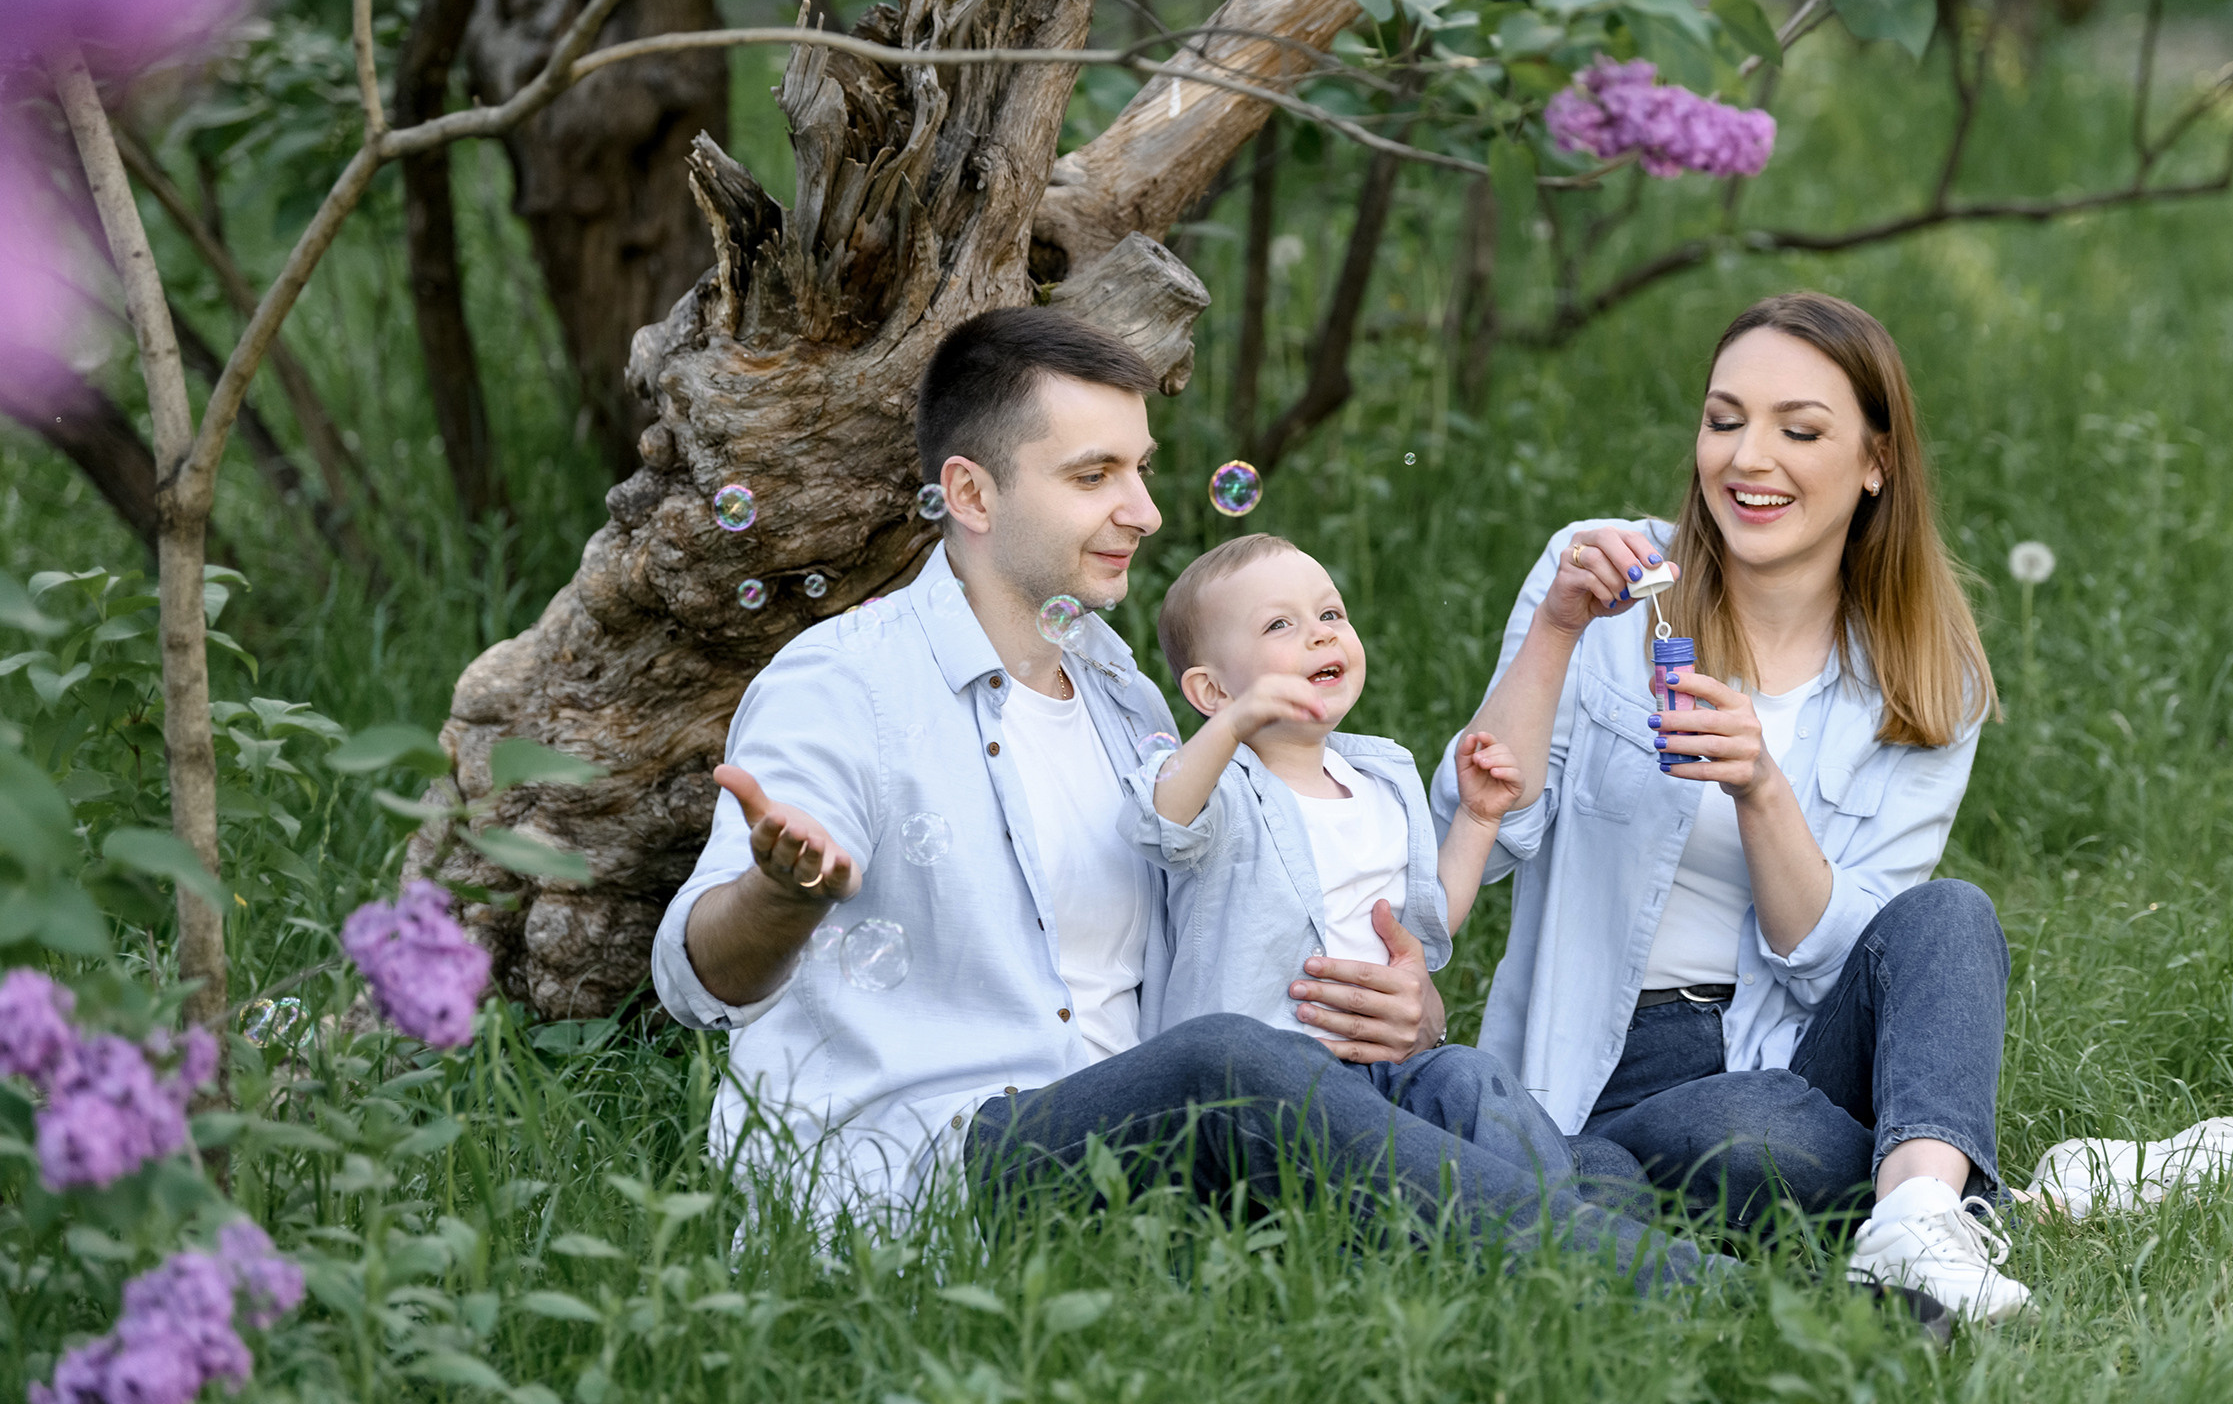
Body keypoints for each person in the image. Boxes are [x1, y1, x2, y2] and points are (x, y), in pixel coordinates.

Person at [649, 307, 1713, 1288]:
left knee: (1512, 1119)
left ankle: (1599, 1252)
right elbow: (699, 977)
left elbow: (1242, 926)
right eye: (1094, 475)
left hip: (1160, 1166)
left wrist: (1407, 1010)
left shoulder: (1123, 697)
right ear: (970, 495)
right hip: (935, 1173)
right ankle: (1681, 1291)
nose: (1146, 512)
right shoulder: (847, 685)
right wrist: (782, 896)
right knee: (1226, 1063)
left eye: (1143, 470)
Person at [1433, 291, 2028, 1321]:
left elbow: (1843, 963)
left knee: (1946, 921)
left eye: (1799, 431)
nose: (1749, 459)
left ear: (1877, 461)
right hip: (1597, 1072)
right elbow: (1484, 830)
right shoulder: (1606, 579)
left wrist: (1761, 791)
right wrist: (1559, 631)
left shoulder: (1929, 678)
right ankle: (1951, 1192)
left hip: (1786, 1066)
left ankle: (1917, 1215)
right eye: (1724, 420)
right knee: (1693, 1159)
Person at [1116, 532, 1584, 1178]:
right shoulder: (1220, 791)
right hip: (1266, 1090)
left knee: (1473, 1079)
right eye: (1280, 624)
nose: (1321, 634)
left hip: (1387, 1069)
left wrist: (1478, 819)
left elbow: (1426, 920)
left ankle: (1559, 1215)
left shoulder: (1382, 781)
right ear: (1213, 691)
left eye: (1331, 613)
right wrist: (1230, 727)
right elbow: (1159, 822)